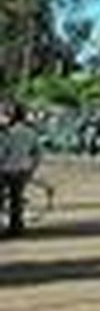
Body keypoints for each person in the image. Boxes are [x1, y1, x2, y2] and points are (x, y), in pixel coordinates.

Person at [1, 102, 44, 237]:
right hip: (22, 169)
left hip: (5, 169)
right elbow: (38, 153)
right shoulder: (31, 132)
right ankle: (16, 226)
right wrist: (32, 168)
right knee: (16, 198)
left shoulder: (8, 133)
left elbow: (2, 152)